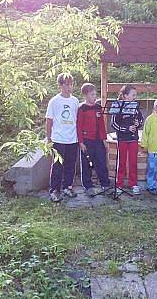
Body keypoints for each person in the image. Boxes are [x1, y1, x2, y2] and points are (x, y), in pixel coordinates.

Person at [46, 73, 79, 202]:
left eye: (71, 84)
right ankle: (54, 190)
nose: (69, 87)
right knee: (57, 166)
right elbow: (49, 120)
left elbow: (77, 120)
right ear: (60, 85)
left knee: (71, 165)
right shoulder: (54, 101)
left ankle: (67, 187)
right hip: (58, 139)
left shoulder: (75, 101)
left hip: (72, 139)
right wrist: (48, 138)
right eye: (66, 84)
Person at [77, 83, 110, 197]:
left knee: (101, 161)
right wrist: (81, 142)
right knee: (86, 164)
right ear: (85, 95)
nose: (95, 97)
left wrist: (104, 139)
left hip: (98, 140)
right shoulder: (82, 108)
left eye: (95, 94)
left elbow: (101, 124)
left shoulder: (98, 107)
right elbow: (79, 126)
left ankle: (105, 184)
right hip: (86, 140)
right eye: (92, 94)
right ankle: (88, 186)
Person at [111, 85, 143, 195]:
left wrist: (138, 123)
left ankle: (133, 184)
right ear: (125, 96)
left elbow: (141, 119)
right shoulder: (118, 106)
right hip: (122, 138)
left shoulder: (136, 106)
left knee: (133, 162)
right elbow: (113, 123)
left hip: (133, 138)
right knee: (122, 162)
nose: (135, 97)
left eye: (135, 95)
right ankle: (119, 184)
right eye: (133, 95)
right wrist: (126, 128)